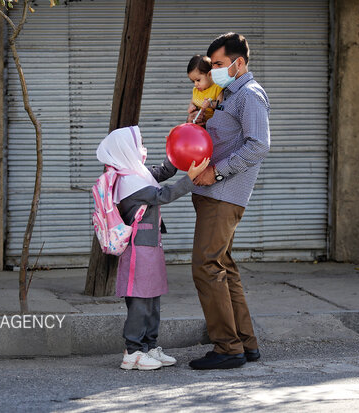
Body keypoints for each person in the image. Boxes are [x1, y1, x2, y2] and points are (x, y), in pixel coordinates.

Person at [186, 33, 271, 370]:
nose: (214, 71)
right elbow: (219, 138)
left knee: (206, 266)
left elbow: (258, 145)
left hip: (223, 195)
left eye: (219, 64)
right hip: (211, 194)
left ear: (239, 63)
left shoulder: (249, 94)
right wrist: (198, 118)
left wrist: (216, 173)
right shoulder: (225, 95)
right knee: (223, 266)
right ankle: (245, 344)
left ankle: (227, 348)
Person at [96, 125, 210, 371]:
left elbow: (164, 171)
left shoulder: (137, 174)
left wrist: (177, 143)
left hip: (150, 246)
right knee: (139, 300)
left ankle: (149, 346)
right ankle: (133, 352)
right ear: (126, 149)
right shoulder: (128, 183)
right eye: (139, 143)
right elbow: (163, 195)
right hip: (138, 249)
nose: (142, 148)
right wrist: (190, 179)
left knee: (152, 298)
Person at [187, 54, 224, 121]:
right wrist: (191, 106)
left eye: (198, 80)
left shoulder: (217, 88)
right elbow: (192, 102)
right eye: (193, 81)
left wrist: (210, 104)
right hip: (199, 124)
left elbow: (221, 106)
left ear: (210, 74)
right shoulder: (196, 90)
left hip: (212, 126)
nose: (195, 84)